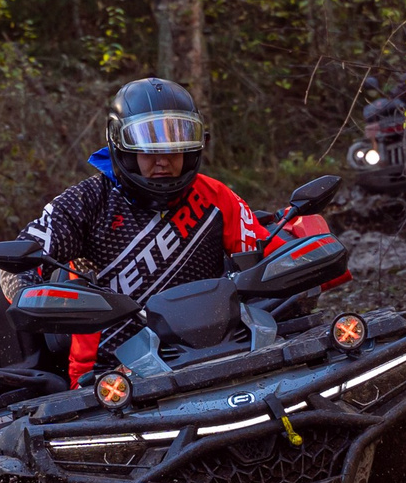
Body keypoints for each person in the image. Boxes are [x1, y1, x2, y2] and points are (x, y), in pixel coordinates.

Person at [17, 77, 261, 386]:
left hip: (219, 351)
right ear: (121, 144)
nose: (162, 160)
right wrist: (33, 300)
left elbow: (263, 254)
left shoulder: (215, 196)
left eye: (174, 144)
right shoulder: (86, 203)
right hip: (111, 373)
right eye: (148, 147)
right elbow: (23, 255)